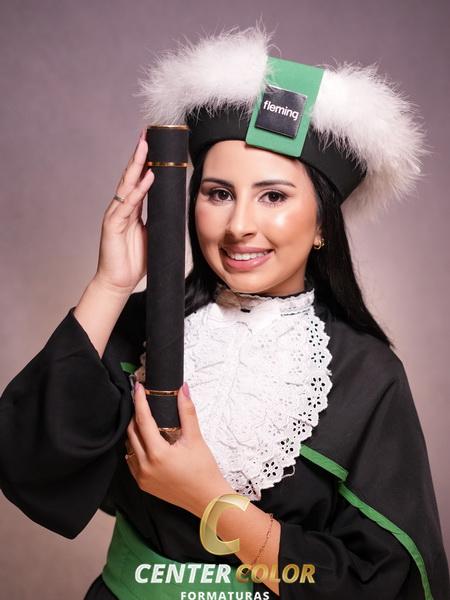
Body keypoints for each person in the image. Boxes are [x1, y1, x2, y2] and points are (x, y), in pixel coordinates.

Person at [1, 23, 449, 600]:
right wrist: (111, 284)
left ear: (322, 224)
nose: (239, 225)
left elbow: (386, 581)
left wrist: (212, 500)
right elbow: (28, 460)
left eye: (273, 196)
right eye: (218, 194)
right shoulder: (140, 327)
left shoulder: (367, 375)